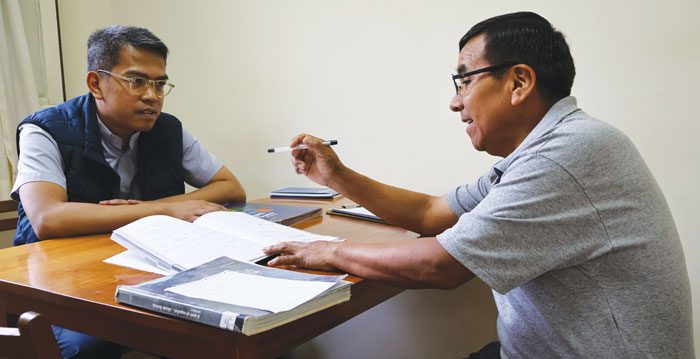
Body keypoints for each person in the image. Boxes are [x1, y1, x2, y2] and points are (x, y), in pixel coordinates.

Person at [263, 12, 694, 358]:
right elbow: (431, 212)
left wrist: (326, 251)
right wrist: (335, 174)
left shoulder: (564, 156)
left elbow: (440, 265)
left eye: (465, 80)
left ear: (519, 82)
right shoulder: (541, 150)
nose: (455, 101)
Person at [11, 25, 245, 358]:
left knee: (232, 323)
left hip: (139, 271)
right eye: (137, 81)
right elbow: (48, 218)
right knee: (87, 347)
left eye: (160, 84)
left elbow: (231, 188)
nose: (152, 95)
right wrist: (161, 211)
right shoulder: (45, 128)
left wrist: (155, 206)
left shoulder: (167, 128)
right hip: (58, 283)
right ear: (96, 83)